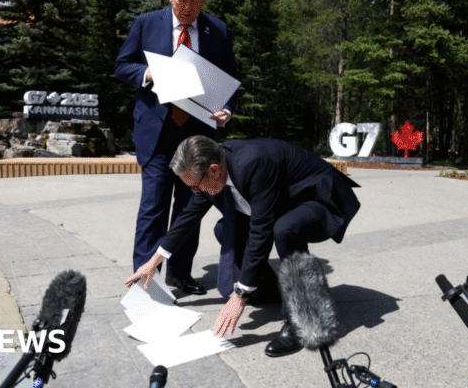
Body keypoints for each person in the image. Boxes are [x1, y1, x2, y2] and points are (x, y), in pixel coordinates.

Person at [125, 136, 361, 357]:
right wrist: (154, 261)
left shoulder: (254, 164)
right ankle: (268, 290)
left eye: (196, 186)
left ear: (214, 170)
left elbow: (261, 231)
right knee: (224, 229)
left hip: (320, 198)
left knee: (285, 229)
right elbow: (188, 217)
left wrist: (239, 295)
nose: (195, 192)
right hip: (284, 202)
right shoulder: (210, 171)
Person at [114, 0, 238, 295]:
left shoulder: (217, 30)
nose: (188, 8)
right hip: (157, 132)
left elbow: (230, 80)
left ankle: (179, 274)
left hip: (197, 136)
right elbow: (122, 65)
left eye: (196, 0)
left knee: (188, 208)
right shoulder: (146, 23)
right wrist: (148, 73)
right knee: (153, 208)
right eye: (183, 0)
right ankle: (147, 283)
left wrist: (226, 109)